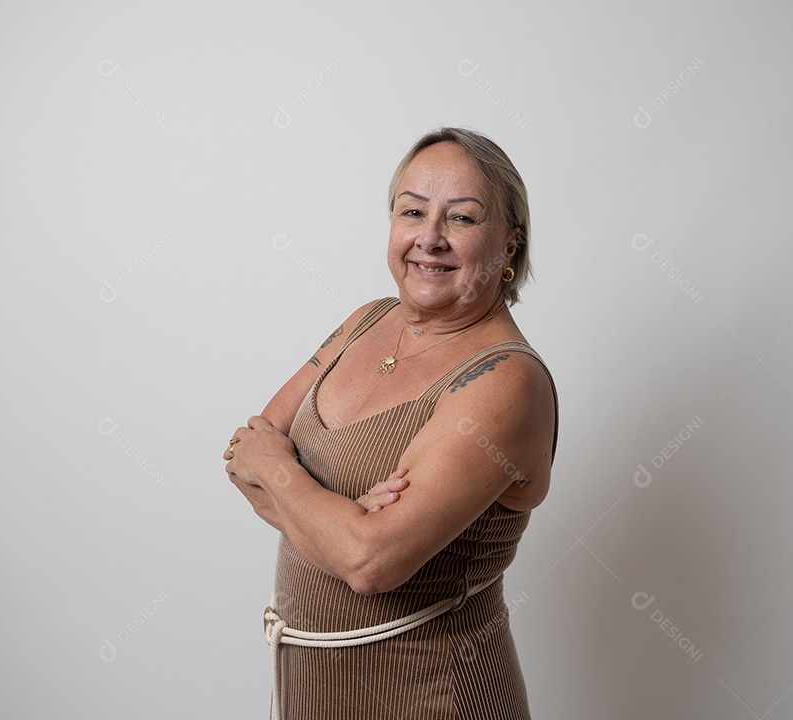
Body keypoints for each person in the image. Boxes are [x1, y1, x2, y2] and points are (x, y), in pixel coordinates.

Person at [224, 127, 558, 720]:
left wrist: (287, 476)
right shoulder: (366, 320)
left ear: (510, 245)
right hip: (313, 695)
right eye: (411, 211)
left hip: (434, 698)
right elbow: (244, 453)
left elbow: (371, 563)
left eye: (461, 218)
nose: (429, 239)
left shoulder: (507, 379)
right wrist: (343, 520)